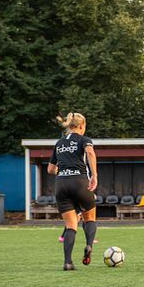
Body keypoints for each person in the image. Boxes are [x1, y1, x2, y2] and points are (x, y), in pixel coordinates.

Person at [47, 113, 98, 270]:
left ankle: (67, 262)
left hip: (61, 184)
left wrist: (64, 173)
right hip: (80, 182)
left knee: (70, 226)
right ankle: (89, 245)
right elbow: (90, 152)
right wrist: (94, 175)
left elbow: (50, 169)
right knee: (89, 218)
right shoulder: (84, 139)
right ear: (81, 126)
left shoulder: (59, 143)